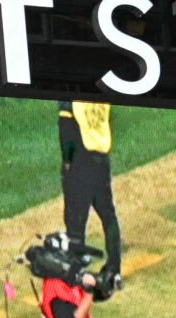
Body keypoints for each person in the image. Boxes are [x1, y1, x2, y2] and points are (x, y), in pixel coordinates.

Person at [59, 102, 121, 287]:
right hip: (102, 158)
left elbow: (66, 128)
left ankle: (76, 271)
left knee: (76, 217)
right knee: (108, 214)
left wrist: (67, 161)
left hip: (81, 158)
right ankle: (114, 269)